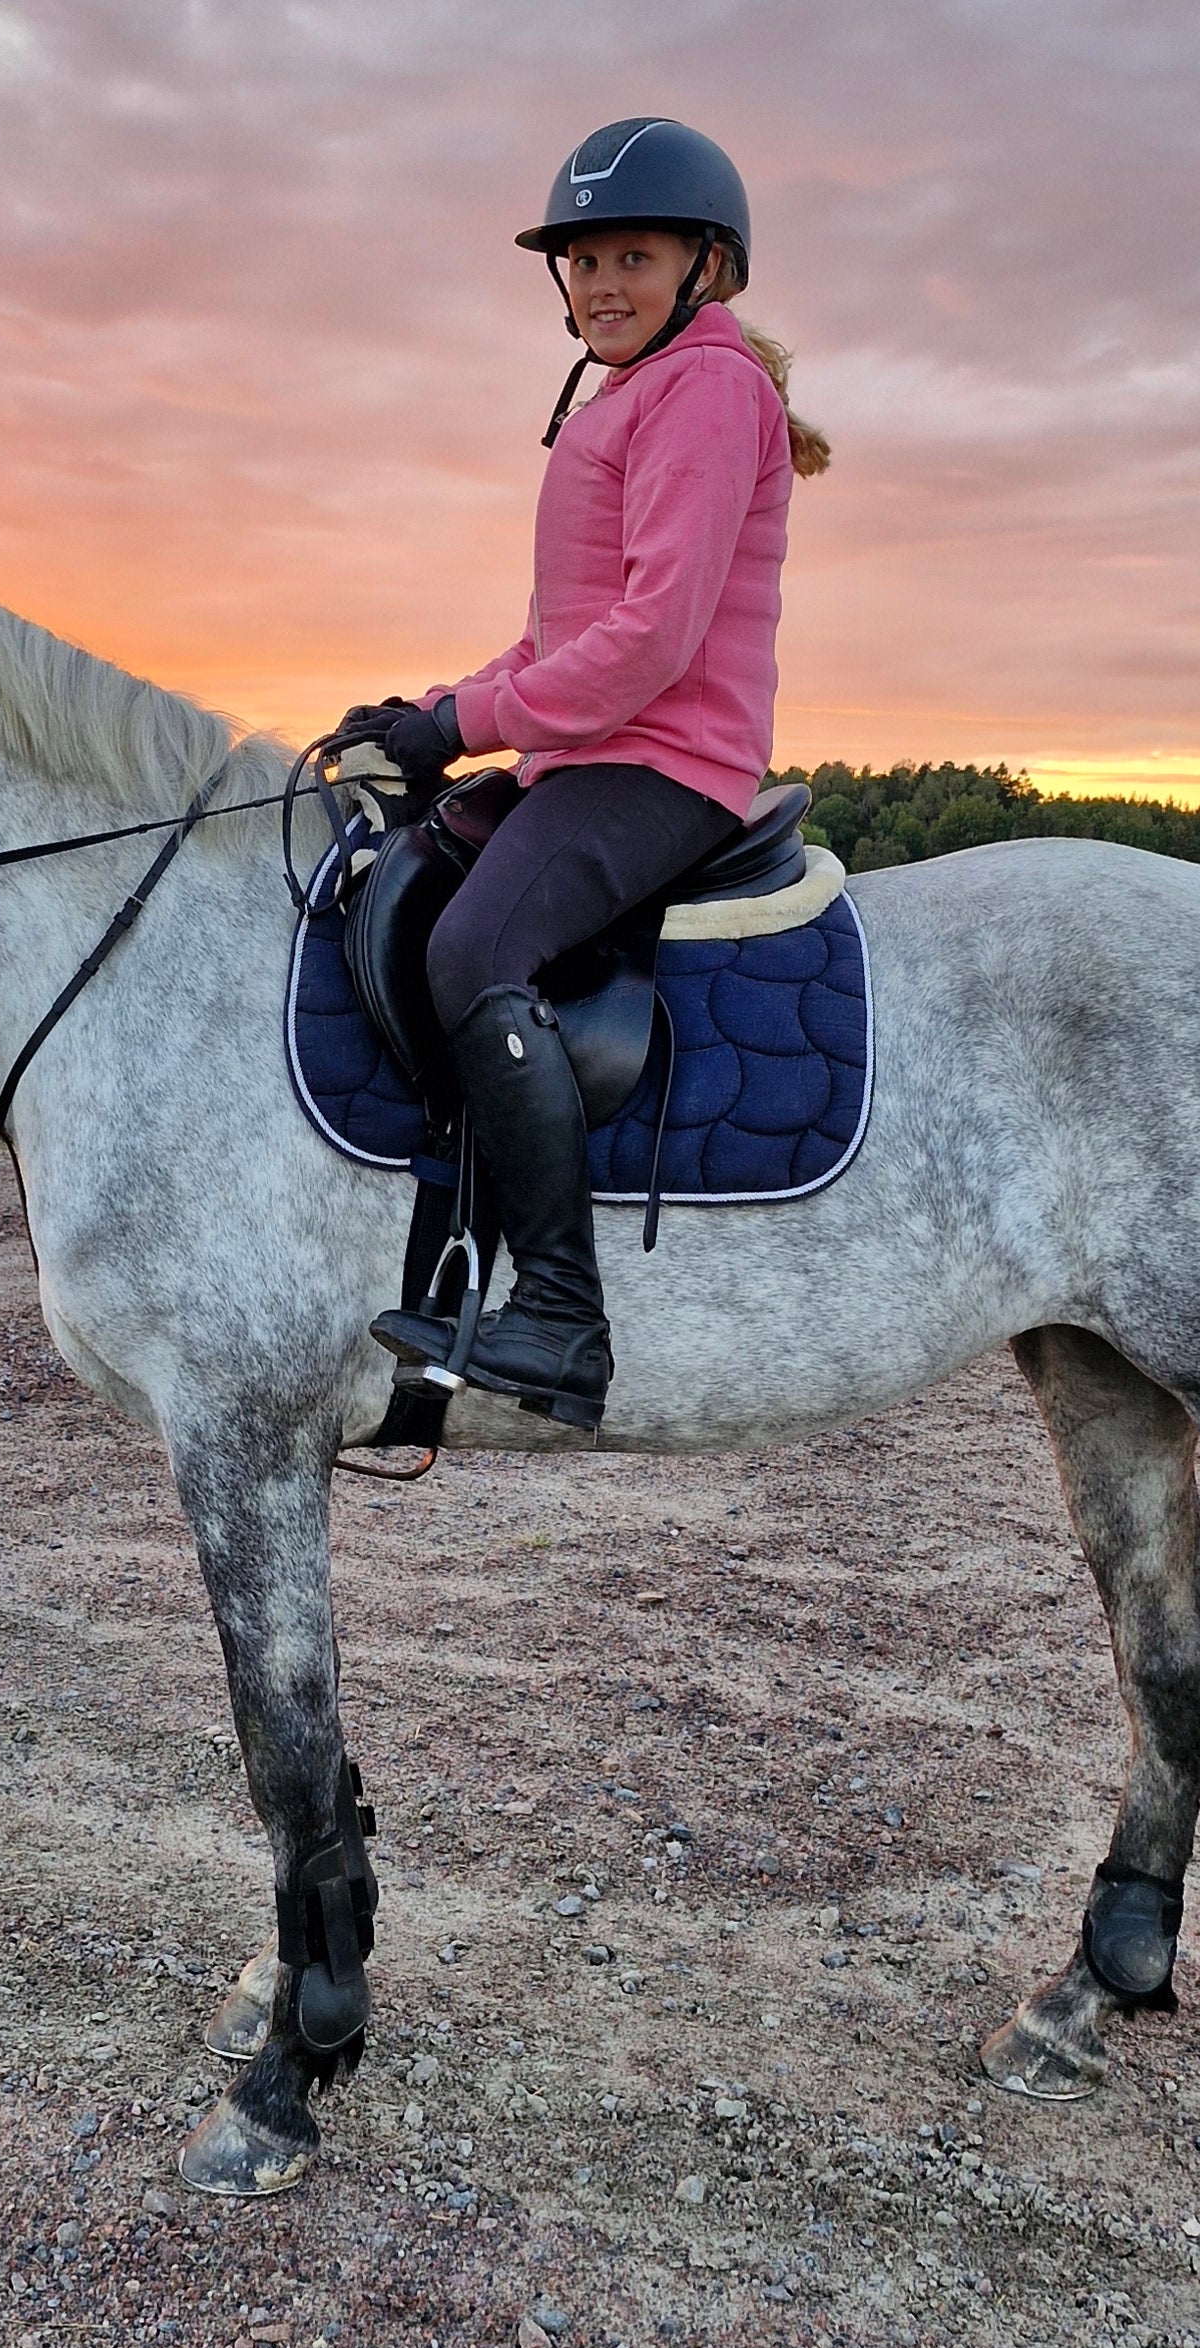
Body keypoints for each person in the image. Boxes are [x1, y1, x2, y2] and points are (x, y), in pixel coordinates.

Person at [329, 116, 827, 1427]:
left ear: (707, 266)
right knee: (405, 878)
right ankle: (444, 1251)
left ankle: (559, 1315)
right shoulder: (631, 396)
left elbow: (651, 641)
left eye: (633, 258)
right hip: (590, 750)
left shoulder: (708, 390)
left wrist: (470, 722)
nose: (602, 284)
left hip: (665, 759)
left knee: (475, 948)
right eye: (583, 260)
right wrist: (430, 711)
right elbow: (561, 639)